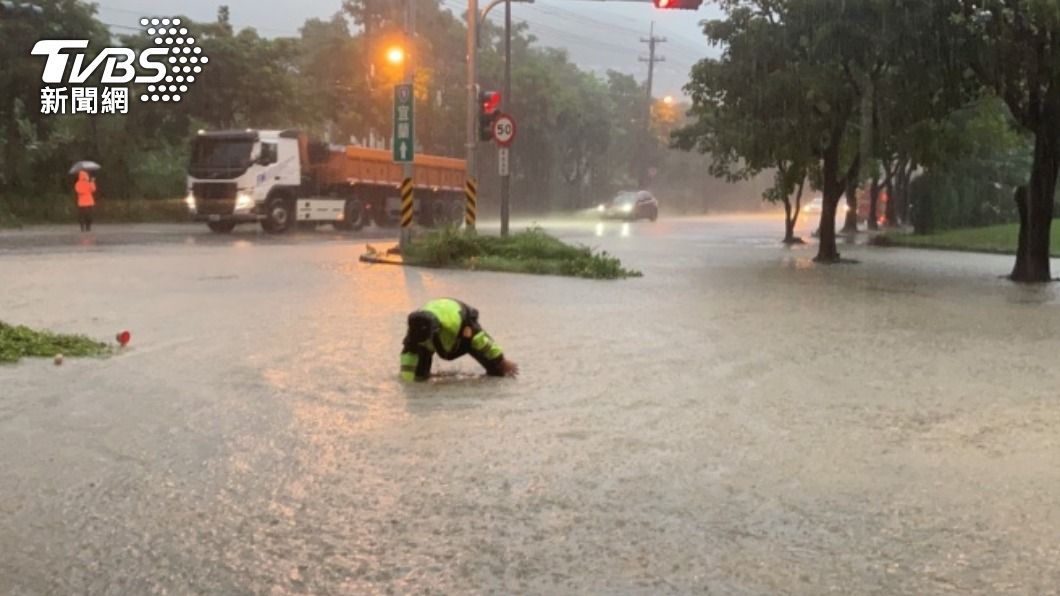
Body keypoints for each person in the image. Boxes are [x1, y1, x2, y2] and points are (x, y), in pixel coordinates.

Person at [400, 298, 519, 382]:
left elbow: (482, 340)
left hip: (461, 320)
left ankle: (496, 368)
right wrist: (408, 381)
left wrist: (501, 360)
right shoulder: (415, 328)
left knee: (497, 373)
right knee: (419, 377)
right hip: (436, 315)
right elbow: (408, 355)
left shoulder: (456, 325)